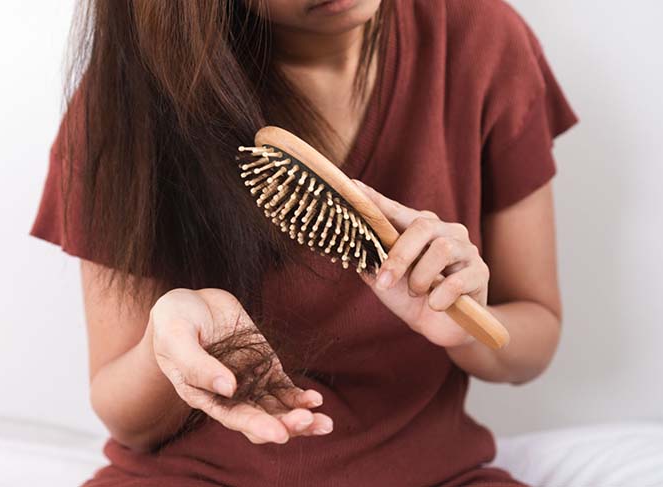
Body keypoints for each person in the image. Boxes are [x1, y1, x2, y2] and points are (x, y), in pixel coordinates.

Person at [30, 0, 578, 485]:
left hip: (433, 474)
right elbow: (126, 419)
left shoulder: (480, 39)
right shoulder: (127, 102)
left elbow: (533, 341)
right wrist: (168, 337)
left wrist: (459, 321)